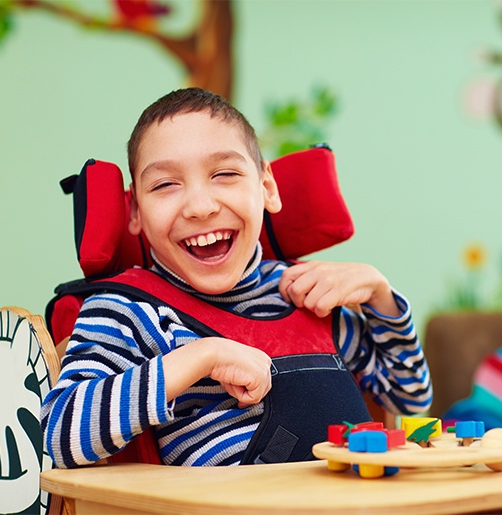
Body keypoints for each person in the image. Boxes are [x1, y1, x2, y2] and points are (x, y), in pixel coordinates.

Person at [41, 87, 432, 468]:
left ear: (266, 188)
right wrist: (199, 357)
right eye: (165, 184)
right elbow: (57, 435)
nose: (200, 206)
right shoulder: (129, 310)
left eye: (224, 174)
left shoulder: (307, 294)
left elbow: (409, 400)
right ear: (135, 212)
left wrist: (381, 296)